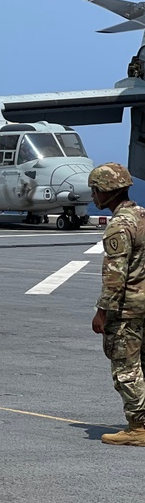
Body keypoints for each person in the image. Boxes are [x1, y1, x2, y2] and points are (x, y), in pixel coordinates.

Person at [88, 162, 145, 446]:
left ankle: (138, 427)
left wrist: (102, 313)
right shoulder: (142, 216)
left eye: (95, 191)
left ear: (105, 192)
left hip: (128, 309)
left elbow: (115, 276)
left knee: (126, 367)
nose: (93, 197)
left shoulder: (119, 226)